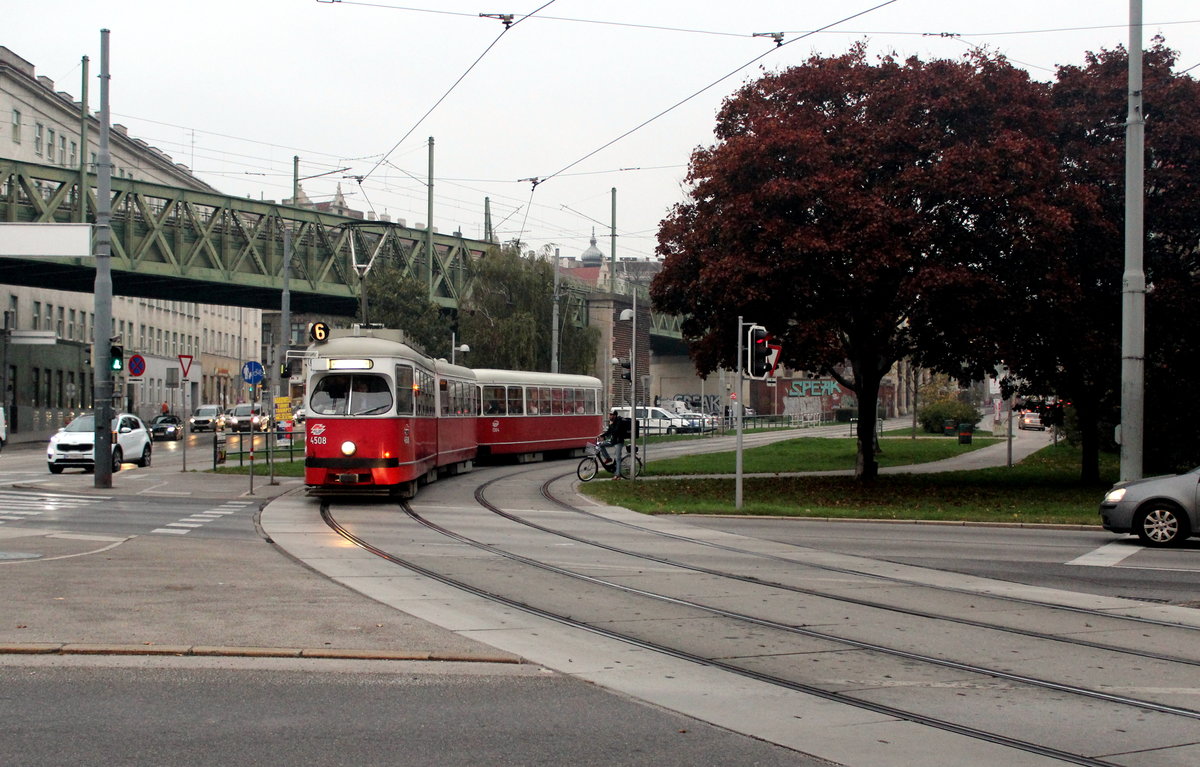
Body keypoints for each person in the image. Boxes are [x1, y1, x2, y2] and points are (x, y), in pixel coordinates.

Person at [600, 411, 632, 479]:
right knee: (600, 445)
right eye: (609, 415)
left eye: (611, 415)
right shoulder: (612, 422)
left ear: (615, 415)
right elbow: (609, 431)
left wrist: (611, 424)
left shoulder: (619, 422)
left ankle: (618, 475)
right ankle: (608, 458)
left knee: (617, 458)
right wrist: (602, 435)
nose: (609, 416)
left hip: (618, 442)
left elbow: (616, 431)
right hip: (613, 441)